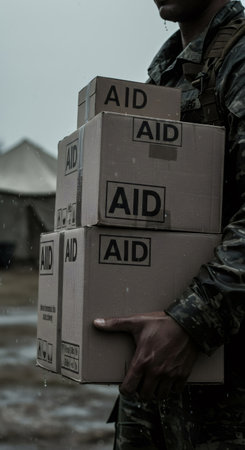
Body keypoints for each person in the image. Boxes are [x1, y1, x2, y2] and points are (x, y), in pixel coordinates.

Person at [94, 0, 245, 448]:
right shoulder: (165, 76)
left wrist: (191, 323)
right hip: (155, 385)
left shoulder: (239, 59)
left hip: (228, 388)